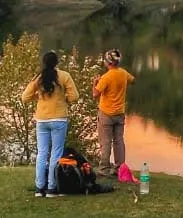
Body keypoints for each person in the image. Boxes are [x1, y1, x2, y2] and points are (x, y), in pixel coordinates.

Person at [21, 50, 79, 198]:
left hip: (42, 119)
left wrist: (39, 97)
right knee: (56, 153)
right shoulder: (64, 76)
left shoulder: (39, 78)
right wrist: (63, 99)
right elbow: (75, 96)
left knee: (42, 153)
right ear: (57, 62)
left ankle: (39, 188)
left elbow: (25, 97)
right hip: (59, 118)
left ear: (44, 62)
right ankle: (52, 188)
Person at [92, 48, 135, 177]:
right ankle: (119, 168)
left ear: (108, 62)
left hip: (106, 114)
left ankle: (104, 169)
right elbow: (133, 80)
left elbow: (95, 94)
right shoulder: (123, 73)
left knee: (105, 142)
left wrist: (94, 83)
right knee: (119, 141)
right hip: (119, 113)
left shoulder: (106, 77)